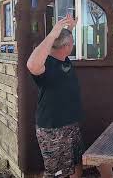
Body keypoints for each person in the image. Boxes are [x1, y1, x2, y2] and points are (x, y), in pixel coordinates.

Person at [27, 15, 84, 178]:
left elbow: (63, 41)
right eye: (71, 43)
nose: (73, 46)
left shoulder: (63, 58)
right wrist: (52, 34)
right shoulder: (46, 64)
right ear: (67, 47)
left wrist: (69, 29)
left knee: (76, 164)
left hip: (71, 125)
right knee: (56, 173)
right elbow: (31, 65)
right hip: (54, 129)